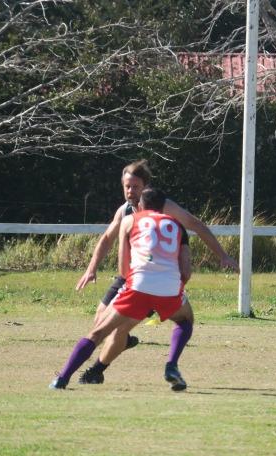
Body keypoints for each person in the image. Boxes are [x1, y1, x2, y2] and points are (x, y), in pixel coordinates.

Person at [75, 160, 238, 384]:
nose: (130, 191)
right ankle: (123, 342)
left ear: (146, 188)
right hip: (127, 276)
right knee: (99, 321)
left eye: (135, 186)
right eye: (126, 186)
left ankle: (96, 371)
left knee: (115, 330)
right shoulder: (123, 211)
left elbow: (196, 225)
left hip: (149, 279)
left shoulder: (164, 207)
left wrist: (222, 255)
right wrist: (91, 269)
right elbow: (106, 239)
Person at [50, 188, 194, 390]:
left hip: (138, 285)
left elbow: (123, 269)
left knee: (97, 332)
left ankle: (62, 379)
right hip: (169, 288)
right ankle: (171, 366)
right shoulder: (178, 226)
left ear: (141, 206)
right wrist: (173, 290)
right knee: (185, 319)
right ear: (164, 207)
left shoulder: (129, 220)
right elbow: (186, 270)